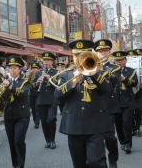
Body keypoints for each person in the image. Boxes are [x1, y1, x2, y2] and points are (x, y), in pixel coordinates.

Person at [54, 39, 113, 168]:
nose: (79, 58)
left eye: (83, 54)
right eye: (76, 55)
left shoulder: (99, 72)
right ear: (72, 56)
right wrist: (73, 82)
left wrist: (93, 73)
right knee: (79, 163)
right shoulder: (66, 75)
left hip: (96, 124)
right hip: (74, 124)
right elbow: (57, 96)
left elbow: (107, 90)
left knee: (96, 162)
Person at [94, 39, 121, 168]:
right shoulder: (90, 65)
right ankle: (100, 161)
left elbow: (112, 83)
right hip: (93, 106)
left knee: (109, 136)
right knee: (96, 137)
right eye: (99, 51)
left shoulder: (114, 67)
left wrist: (99, 69)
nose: (102, 53)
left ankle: (113, 160)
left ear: (109, 53)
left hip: (108, 106)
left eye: (105, 51)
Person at [3, 55, 30, 168]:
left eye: (15, 68)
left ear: (20, 69)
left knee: (18, 139)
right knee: (11, 142)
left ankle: (20, 164)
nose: (12, 70)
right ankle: (15, 165)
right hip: (8, 115)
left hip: (22, 115)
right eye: (11, 68)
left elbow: (23, 93)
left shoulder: (24, 81)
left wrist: (10, 87)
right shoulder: (6, 81)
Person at [112, 51, 138, 154]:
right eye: (117, 60)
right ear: (114, 61)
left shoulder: (131, 71)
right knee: (118, 125)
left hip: (127, 101)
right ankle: (122, 142)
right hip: (115, 102)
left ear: (125, 60)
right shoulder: (110, 71)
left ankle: (128, 144)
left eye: (121, 60)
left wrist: (124, 78)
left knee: (126, 123)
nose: (119, 62)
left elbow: (134, 83)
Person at [33, 52, 58, 149]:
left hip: (52, 100)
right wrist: (37, 83)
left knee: (51, 119)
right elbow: (32, 86)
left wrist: (49, 79)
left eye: (48, 60)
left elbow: (58, 84)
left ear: (52, 61)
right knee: (44, 122)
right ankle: (47, 140)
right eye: (45, 60)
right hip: (41, 100)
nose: (46, 62)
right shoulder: (39, 73)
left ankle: (53, 139)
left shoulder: (56, 73)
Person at [28, 62, 40, 129]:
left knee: (36, 108)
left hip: (38, 93)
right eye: (33, 68)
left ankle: (37, 122)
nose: (34, 69)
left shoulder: (39, 74)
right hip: (31, 93)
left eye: (36, 68)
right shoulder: (30, 75)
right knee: (33, 108)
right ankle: (36, 120)